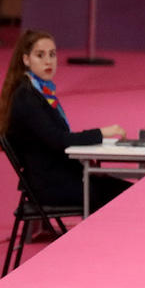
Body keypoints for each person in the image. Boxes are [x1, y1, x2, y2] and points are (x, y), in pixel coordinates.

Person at [0, 29, 131, 214]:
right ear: (26, 59)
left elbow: (57, 139)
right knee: (127, 194)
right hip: (50, 185)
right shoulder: (27, 98)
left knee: (124, 189)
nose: (48, 61)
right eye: (40, 55)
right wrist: (101, 133)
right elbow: (58, 140)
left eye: (52, 55)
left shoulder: (40, 91)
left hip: (59, 176)